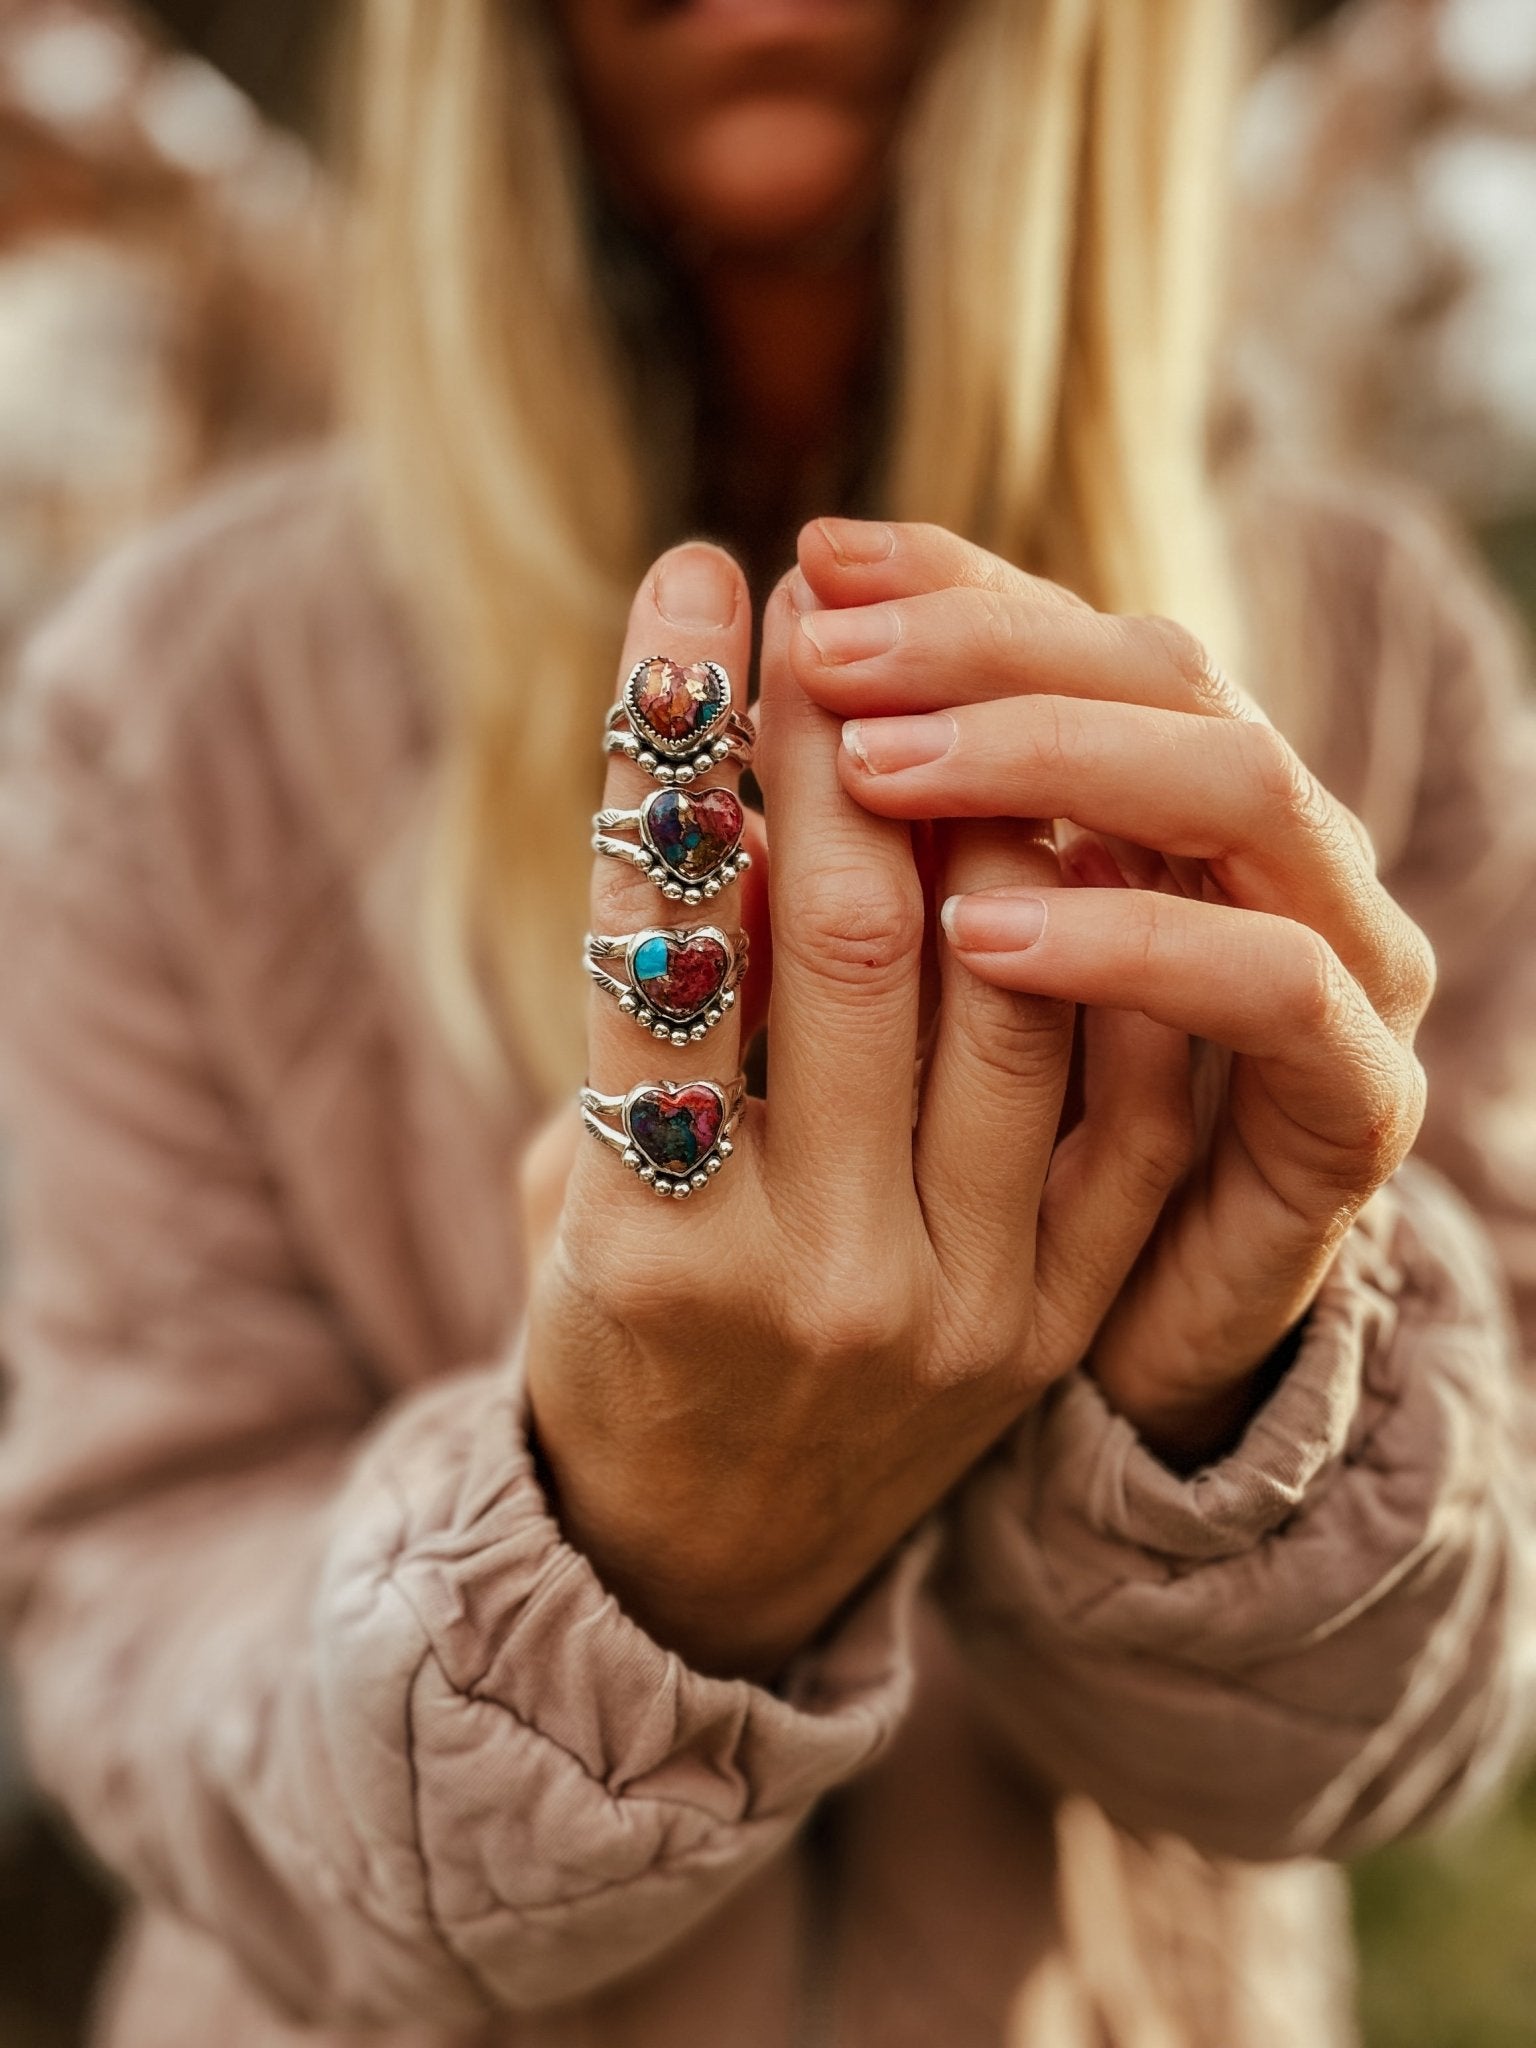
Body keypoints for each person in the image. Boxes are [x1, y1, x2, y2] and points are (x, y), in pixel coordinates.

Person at [0, 3, 1531, 2045]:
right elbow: (130, 1643)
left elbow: (1438, 1709)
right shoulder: (169, 706)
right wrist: (631, 1557)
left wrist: (1234, 1404)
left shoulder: (1374, 660)